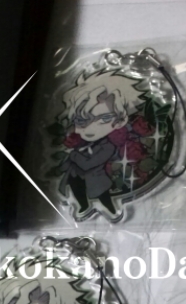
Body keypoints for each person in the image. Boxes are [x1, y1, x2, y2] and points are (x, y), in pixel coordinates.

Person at [58, 70, 146, 218]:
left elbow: (88, 164)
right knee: (78, 194)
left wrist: (73, 155)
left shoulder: (108, 146)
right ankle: (84, 206)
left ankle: (111, 211)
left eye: (104, 118)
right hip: (75, 177)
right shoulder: (82, 141)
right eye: (81, 120)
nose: (90, 127)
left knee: (105, 201)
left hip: (96, 182)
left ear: (119, 121)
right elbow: (70, 162)